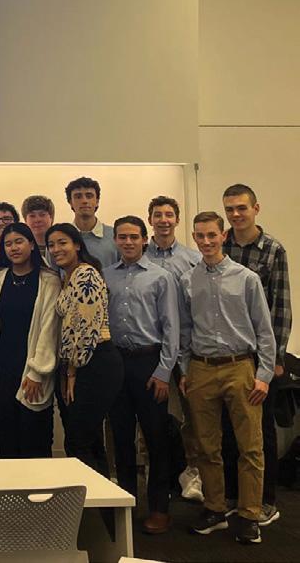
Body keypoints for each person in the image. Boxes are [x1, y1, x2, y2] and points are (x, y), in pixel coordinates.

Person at [181, 211, 275, 545]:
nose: (206, 241)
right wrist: (184, 370)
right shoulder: (188, 280)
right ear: (194, 238)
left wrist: (264, 375)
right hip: (201, 368)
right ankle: (215, 509)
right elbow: (185, 329)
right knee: (206, 446)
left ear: (223, 236)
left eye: (212, 235)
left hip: (240, 367)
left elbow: (264, 330)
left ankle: (249, 515)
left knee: (250, 446)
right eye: (200, 236)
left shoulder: (246, 278)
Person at [104, 216, 180, 534]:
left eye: (134, 237)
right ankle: (127, 504)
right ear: (115, 240)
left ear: (144, 239)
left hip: (149, 363)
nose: (128, 242)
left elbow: (172, 328)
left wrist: (163, 372)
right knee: (121, 438)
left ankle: (159, 508)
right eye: (122, 237)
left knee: (156, 438)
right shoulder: (106, 275)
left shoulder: (161, 277)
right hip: (116, 363)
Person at [221, 183, 290, 527]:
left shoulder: (273, 250)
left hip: (258, 358)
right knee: (229, 431)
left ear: (255, 209)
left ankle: (266, 501)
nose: (236, 214)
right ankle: (235, 497)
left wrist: (273, 361)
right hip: (227, 357)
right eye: (230, 209)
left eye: (241, 208)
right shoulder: (221, 245)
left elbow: (281, 308)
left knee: (260, 434)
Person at [46, 222, 123, 477]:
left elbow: (85, 329)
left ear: (77, 245)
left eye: (62, 243)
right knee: (89, 440)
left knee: (78, 441)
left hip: (94, 361)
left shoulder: (85, 275)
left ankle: (90, 495)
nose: (56, 249)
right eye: (51, 245)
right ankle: (103, 498)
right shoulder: (68, 277)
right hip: (81, 363)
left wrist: (72, 371)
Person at [145, 195, 203, 502]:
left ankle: (192, 474)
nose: (163, 220)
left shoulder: (193, 259)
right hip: (151, 348)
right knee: (151, 420)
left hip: (186, 349)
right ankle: (154, 477)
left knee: (192, 417)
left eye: (169, 214)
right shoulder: (139, 256)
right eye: (158, 215)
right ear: (150, 220)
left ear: (177, 220)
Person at [0, 223, 61, 459]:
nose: (13, 248)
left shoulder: (49, 280)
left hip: (33, 370)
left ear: (31, 244)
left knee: (35, 439)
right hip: (2, 370)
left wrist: (37, 372)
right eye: (8, 244)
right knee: (7, 438)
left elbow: (50, 329)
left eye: (19, 242)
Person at [65, 177, 119, 269]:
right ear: (70, 202)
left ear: (97, 201)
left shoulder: (115, 236)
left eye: (89, 196)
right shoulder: (61, 238)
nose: (84, 201)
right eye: (78, 197)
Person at [21, 195, 55, 262]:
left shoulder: (60, 245)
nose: (37, 220)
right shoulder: (22, 249)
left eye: (42, 215)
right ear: (25, 220)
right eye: (32, 216)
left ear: (51, 218)